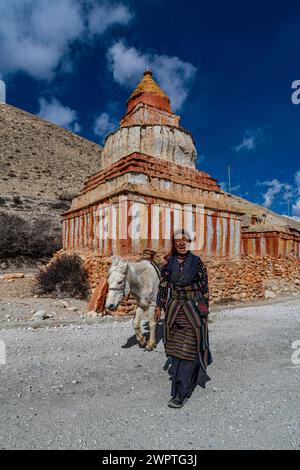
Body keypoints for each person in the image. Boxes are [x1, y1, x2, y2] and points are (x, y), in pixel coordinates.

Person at [155, 229, 212, 408]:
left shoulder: (197, 263)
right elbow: (163, 286)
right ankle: (188, 377)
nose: (182, 243)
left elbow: (205, 289)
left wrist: (204, 311)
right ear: (174, 243)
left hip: (193, 310)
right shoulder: (168, 263)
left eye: (185, 240)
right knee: (176, 348)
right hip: (173, 310)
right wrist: (159, 306)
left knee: (186, 349)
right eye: (178, 240)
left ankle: (180, 393)